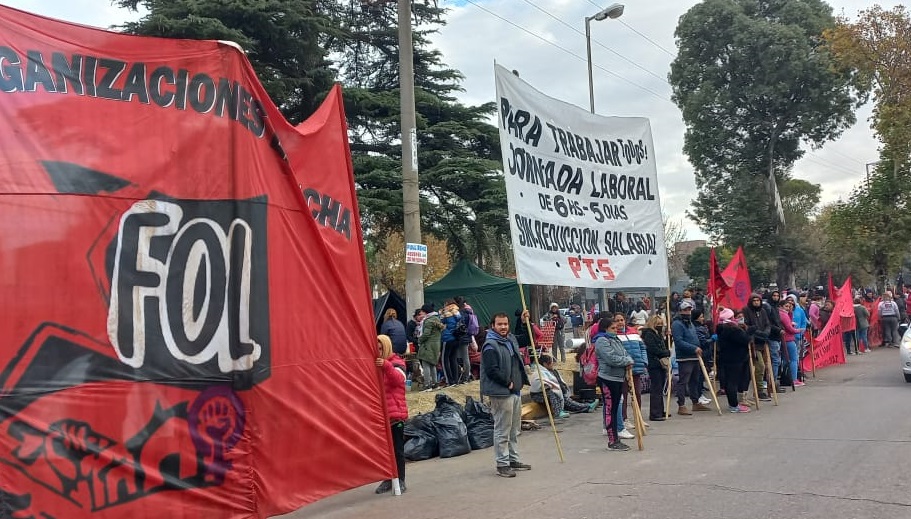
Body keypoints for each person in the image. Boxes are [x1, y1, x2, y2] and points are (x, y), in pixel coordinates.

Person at [481, 312, 531, 478]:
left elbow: (527, 339)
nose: (503, 327)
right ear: (493, 326)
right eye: (500, 324)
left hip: (515, 390)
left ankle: (513, 459)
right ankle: (502, 463)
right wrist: (507, 382)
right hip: (501, 392)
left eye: (505, 324)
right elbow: (491, 370)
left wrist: (524, 322)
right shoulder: (490, 345)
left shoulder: (510, 339)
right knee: (502, 429)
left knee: (514, 429)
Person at [593, 316, 634, 451]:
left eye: (616, 328)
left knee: (616, 408)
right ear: (605, 329)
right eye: (613, 328)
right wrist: (626, 361)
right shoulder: (601, 341)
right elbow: (611, 358)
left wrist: (628, 360)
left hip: (618, 378)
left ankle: (616, 437)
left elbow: (625, 353)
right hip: (607, 378)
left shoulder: (616, 340)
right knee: (610, 409)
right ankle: (612, 440)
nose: (616, 330)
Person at [374, 335, 408, 494]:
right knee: (384, 451)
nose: (378, 351)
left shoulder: (397, 362)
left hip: (395, 415)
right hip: (381, 416)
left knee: (397, 450)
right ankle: (388, 478)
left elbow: (399, 380)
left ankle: (400, 479)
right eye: (376, 348)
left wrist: (386, 366)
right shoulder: (375, 365)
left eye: (381, 348)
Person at [672, 300, 709, 415]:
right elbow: (679, 341)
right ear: (680, 311)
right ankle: (681, 405)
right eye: (685, 310)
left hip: (695, 356)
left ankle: (695, 402)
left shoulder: (690, 323)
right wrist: (693, 348)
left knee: (695, 380)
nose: (688, 312)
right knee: (684, 381)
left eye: (689, 309)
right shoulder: (677, 324)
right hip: (685, 357)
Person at [615, 313, 649, 430]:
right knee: (623, 395)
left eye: (622, 320)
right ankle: (624, 419)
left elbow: (642, 348)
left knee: (637, 394)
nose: (620, 322)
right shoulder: (614, 335)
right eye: (617, 320)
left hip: (637, 367)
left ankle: (638, 417)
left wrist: (644, 361)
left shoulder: (633, 332)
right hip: (623, 369)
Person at [715, 309, 751, 413]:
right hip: (735, 358)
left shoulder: (721, 328)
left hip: (726, 357)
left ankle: (733, 403)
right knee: (733, 382)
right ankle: (734, 405)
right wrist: (748, 332)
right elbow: (745, 340)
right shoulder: (732, 329)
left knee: (730, 382)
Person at [641, 314, 670, 421]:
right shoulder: (649, 335)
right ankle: (655, 413)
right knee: (656, 389)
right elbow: (654, 349)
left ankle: (660, 410)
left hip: (659, 364)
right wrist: (666, 353)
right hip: (654, 364)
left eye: (661, 324)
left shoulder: (658, 334)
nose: (660, 326)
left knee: (660, 388)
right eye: (658, 324)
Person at [743, 294, 772, 401]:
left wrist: (766, 333)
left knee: (766, 366)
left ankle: (765, 389)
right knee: (760, 366)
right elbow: (747, 326)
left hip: (763, 342)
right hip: (753, 342)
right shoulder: (746, 310)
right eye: (754, 300)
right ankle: (759, 391)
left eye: (758, 300)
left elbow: (767, 324)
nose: (756, 302)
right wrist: (759, 333)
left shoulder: (763, 311)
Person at [529, 354, 569, 419]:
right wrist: (550, 386)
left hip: (546, 392)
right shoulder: (539, 372)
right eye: (550, 363)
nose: (552, 364)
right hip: (537, 395)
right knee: (552, 392)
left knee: (558, 393)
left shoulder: (551, 371)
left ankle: (585, 407)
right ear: (545, 364)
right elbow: (542, 382)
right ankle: (557, 413)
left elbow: (556, 382)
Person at [417, 303, 443, 391]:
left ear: (425, 312)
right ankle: (435, 384)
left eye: (422, 312)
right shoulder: (437, 319)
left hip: (428, 345)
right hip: (436, 345)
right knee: (432, 364)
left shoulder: (428, 321)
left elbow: (426, 334)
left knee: (426, 364)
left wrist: (419, 340)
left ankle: (427, 385)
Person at [779, 299, 803, 387]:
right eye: (786, 306)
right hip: (789, 339)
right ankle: (794, 379)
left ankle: (787, 378)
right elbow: (790, 328)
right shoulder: (783, 315)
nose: (788, 308)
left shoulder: (782, 314)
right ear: (781, 306)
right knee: (793, 359)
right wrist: (798, 330)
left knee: (785, 360)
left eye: (789, 307)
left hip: (784, 339)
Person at [454, 296, 477, 383]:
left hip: (461, 336)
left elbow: (459, 325)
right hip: (468, 335)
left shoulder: (460, 313)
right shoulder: (469, 311)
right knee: (465, 357)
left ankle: (465, 376)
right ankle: (467, 375)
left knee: (462, 357)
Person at [440, 300, 462, 385]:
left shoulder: (446, 314)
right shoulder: (458, 313)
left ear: (447, 305)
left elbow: (440, 323)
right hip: (456, 338)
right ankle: (456, 380)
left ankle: (449, 380)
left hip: (447, 338)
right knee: (453, 359)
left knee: (445, 360)